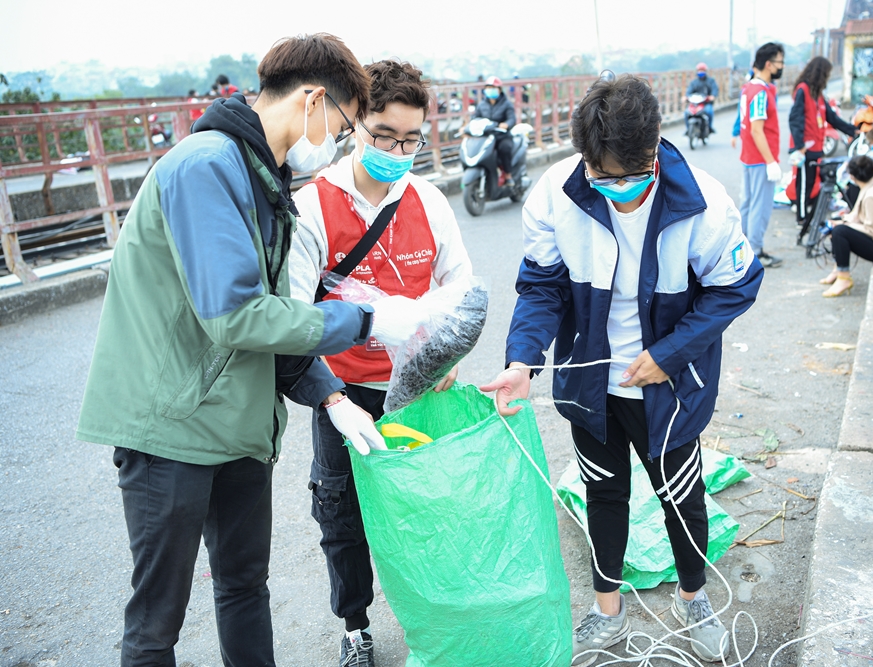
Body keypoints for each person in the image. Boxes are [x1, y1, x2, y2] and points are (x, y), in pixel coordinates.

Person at [76, 34, 428, 666]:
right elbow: (237, 314)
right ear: (315, 100)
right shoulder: (206, 166)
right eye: (347, 126)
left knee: (243, 588)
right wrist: (362, 319)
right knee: (157, 622)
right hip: (172, 427)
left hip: (237, 426)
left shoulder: (265, 175)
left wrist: (329, 394)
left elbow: (274, 319)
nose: (343, 142)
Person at [480, 73, 764, 666]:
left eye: (634, 177)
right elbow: (541, 286)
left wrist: (669, 354)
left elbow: (736, 287)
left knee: (680, 498)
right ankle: (607, 608)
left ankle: (695, 598)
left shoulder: (705, 206)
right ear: (583, 158)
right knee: (603, 494)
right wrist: (522, 359)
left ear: (657, 146)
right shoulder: (555, 195)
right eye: (603, 178)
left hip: (668, 388)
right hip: (592, 382)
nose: (619, 193)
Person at [288, 58, 474, 667]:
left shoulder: (427, 200)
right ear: (355, 125)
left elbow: (459, 286)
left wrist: (442, 353)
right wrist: (329, 399)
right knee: (342, 514)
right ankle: (356, 626)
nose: (398, 150)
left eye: (411, 139)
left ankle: (435, 615)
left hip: (416, 388)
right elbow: (290, 314)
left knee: (425, 509)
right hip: (342, 393)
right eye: (384, 135)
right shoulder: (314, 205)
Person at [820, 154, 873, 297]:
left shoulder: (872, 196)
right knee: (839, 226)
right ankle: (838, 269)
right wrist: (842, 221)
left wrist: (843, 225)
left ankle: (843, 277)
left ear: (852, 176)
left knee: (840, 232)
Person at [733, 42, 785, 268]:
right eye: (780, 62)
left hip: (749, 156)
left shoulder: (748, 87)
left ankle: (743, 248)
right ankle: (755, 250)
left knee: (748, 204)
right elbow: (757, 129)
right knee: (760, 206)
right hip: (760, 158)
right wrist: (771, 161)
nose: (782, 67)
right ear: (769, 64)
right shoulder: (760, 92)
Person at [787, 56, 857, 224]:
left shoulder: (818, 95)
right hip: (805, 148)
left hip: (817, 147)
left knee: (812, 183)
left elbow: (832, 118)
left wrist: (852, 130)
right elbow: (795, 119)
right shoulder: (803, 90)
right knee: (803, 185)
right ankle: (802, 219)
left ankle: (810, 216)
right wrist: (800, 145)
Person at [471, 75, 516, 176]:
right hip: (486, 136)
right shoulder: (481, 104)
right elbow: (475, 118)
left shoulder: (507, 104)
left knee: (505, 148)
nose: (490, 90)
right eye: (488, 88)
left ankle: (508, 174)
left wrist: (506, 124)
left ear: (499, 90)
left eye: (493, 88)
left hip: (501, 136)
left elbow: (512, 119)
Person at [685, 63, 718, 133]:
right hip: (696, 104)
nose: (701, 72)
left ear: (706, 71)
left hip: (706, 103)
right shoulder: (694, 82)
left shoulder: (711, 81)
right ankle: (688, 130)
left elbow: (714, 90)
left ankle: (709, 128)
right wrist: (686, 97)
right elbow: (689, 91)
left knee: (709, 111)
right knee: (686, 113)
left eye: (702, 70)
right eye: (699, 70)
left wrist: (712, 96)